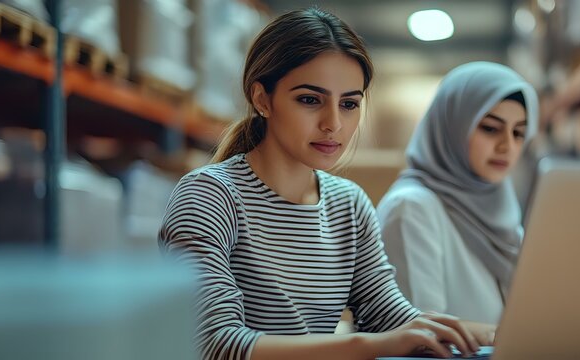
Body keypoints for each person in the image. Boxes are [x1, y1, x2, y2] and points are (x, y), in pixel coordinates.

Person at [159, 8, 495, 360]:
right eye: (310, 100)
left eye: (349, 104)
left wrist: (497, 333)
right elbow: (215, 343)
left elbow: (394, 319)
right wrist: (365, 345)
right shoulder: (208, 195)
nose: (333, 123)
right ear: (261, 99)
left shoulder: (348, 204)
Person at [376, 62, 539, 325]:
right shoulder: (412, 209)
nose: (507, 145)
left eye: (518, 133)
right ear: (452, 127)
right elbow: (424, 337)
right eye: (490, 128)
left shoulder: (503, 214)